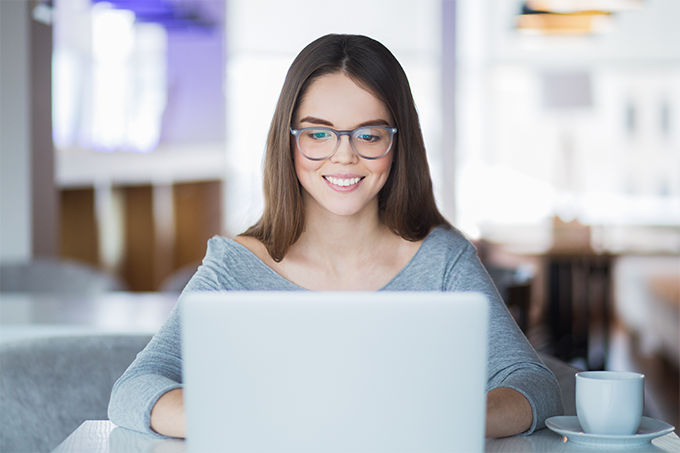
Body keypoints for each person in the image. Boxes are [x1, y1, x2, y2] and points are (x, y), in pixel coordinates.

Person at [108, 33, 564, 439]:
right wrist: (248, 421)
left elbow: (533, 384)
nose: (343, 157)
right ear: (289, 142)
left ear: (397, 143)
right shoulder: (235, 265)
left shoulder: (442, 260)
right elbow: (134, 390)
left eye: (368, 135)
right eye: (319, 134)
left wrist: (447, 420)